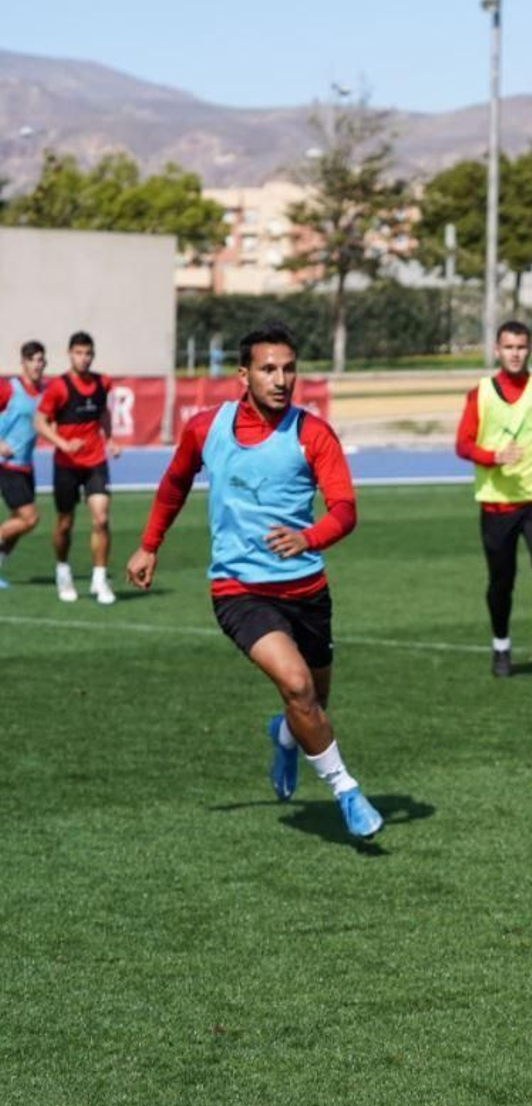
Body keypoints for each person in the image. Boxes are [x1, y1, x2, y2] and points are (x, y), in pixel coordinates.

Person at [125, 322, 383, 840]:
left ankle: (285, 738)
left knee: (310, 706)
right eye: (268, 369)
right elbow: (175, 483)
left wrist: (308, 539)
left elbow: (346, 510)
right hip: (238, 590)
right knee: (296, 684)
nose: (281, 379)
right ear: (243, 374)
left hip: (307, 591)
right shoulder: (206, 428)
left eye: (289, 369)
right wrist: (150, 543)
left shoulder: (312, 433)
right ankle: (347, 791)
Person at [454, 320, 532, 682]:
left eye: (521, 347)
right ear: (497, 350)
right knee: (501, 581)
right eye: (508, 347)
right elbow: (462, 445)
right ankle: (501, 646)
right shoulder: (480, 394)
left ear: (530, 349)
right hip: (497, 502)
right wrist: (493, 456)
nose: (515, 353)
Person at [33, 331, 120, 604]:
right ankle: (62, 570)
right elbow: (39, 422)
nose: (84, 359)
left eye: (88, 353)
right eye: (78, 353)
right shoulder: (58, 387)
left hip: (95, 461)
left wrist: (111, 438)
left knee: (101, 519)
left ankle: (99, 578)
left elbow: (103, 412)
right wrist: (62, 442)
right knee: (65, 523)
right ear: (70, 354)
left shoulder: (103, 382)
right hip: (66, 465)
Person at [0, 341, 47, 588]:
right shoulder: (9, 389)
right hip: (6, 465)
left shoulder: (44, 392)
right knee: (30, 519)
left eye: (41, 360)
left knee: (18, 522)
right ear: (23, 362)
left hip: (26, 466)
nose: (37, 364)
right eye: (32, 360)